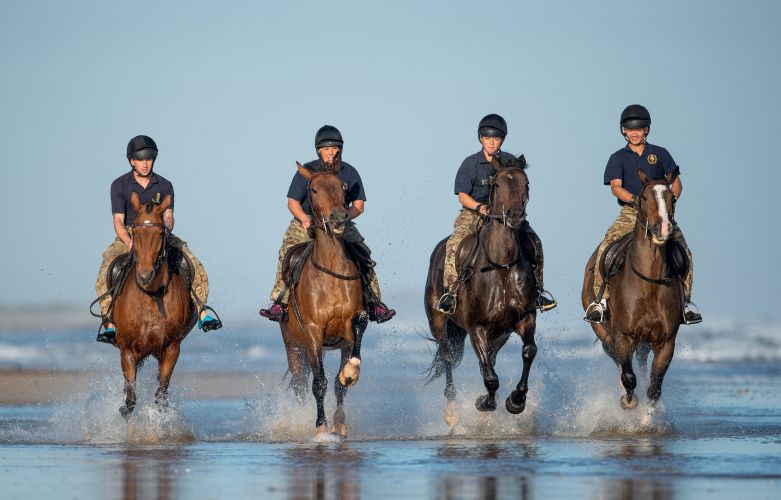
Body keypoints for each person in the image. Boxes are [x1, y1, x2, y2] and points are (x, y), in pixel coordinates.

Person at [259, 125, 396, 324]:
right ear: (319, 151)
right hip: (307, 221)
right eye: (326, 148)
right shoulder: (307, 171)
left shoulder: (349, 172)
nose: (331, 151)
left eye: (334, 147)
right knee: (286, 252)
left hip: (340, 221)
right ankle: (281, 301)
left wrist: (344, 217)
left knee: (363, 253)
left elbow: (359, 205)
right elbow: (292, 201)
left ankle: (374, 302)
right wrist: (305, 219)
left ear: (340, 149)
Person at [94, 135, 222, 344]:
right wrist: (129, 242)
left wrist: (164, 233)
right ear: (132, 161)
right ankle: (108, 321)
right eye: (141, 159)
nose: (146, 164)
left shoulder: (164, 185)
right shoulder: (119, 185)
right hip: (131, 232)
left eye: (149, 159)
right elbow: (118, 221)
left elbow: (169, 216)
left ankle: (202, 311)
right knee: (107, 269)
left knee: (193, 263)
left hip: (159, 233)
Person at [584, 105, 702, 325]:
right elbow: (616, 187)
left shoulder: (660, 153)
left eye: (639, 128)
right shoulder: (618, 157)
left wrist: (670, 202)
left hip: (660, 213)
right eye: (629, 129)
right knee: (606, 246)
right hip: (631, 212)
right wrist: (636, 201)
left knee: (684, 251)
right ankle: (600, 301)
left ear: (646, 129)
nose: (634, 132)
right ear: (624, 131)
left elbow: (675, 182)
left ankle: (686, 303)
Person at [436, 114, 557, 315]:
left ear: (502, 139)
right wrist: (479, 208)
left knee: (534, 242)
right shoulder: (470, 163)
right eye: (487, 138)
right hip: (474, 213)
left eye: (496, 138)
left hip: (506, 216)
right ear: (480, 139)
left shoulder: (511, 162)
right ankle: (451, 292)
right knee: (454, 243)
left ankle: (537, 291)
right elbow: (463, 196)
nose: (491, 142)